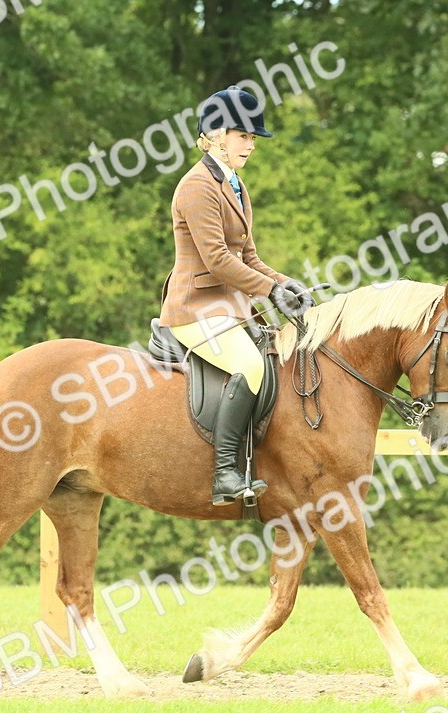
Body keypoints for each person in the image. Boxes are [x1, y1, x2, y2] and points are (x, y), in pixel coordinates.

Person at [158, 85, 315, 506]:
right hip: (194, 309)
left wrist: (285, 284)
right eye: (242, 135)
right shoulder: (196, 187)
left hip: (229, 309)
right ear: (215, 134)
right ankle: (225, 472)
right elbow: (217, 260)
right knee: (250, 365)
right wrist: (270, 292)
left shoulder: (236, 185)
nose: (249, 145)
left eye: (251, 138)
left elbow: (248, 256)